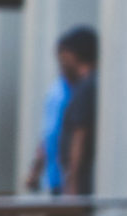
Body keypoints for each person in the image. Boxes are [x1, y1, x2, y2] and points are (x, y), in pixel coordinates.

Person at [25, 24, 98, 197]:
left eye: (64, 56)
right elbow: (48, 132)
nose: (61, 62)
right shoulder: (62, 88)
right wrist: (36, 169)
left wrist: (72, 184)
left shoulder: (85, 87)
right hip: (58, 180)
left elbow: (79, 135)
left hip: (72, 184)